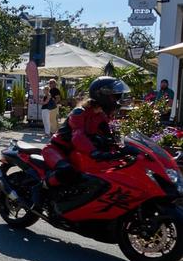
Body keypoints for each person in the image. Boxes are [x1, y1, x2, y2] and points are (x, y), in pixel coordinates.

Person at [29, 76, 131, 209]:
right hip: (58, 150)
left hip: (76, 153)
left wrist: (123, 150)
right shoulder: (79, 113)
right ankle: (40, 188)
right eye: (114, 97)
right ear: (102, 96)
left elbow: (109, 137)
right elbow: (78, 136)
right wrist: (94, 152)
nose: (117, 101)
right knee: (67, 171)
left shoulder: (101, 117)